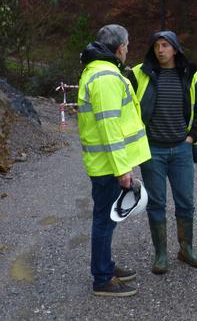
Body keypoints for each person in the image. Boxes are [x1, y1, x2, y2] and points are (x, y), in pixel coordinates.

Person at [77, 24, 151, 297]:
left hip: (104, 163)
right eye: (128, 45)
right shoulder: (107, 77)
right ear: (120, 47)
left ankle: (105, 266)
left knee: (106, 218)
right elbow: (110, 127)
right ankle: (102, 278)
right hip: (108, 165)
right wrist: (123, 169)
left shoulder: (97, 71)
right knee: (105, 219)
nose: (128, 50)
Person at [127, 31, 197, 274]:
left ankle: (186, 249)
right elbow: (128, 108)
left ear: (175, 49)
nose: (160, 50)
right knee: (157, 203)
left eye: (165, 45)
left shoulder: (189, 75)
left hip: (181, 149)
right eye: (156, 46)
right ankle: (161, 254)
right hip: (152, 150)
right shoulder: (139, 74)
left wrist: (192, 135)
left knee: (186, 202)